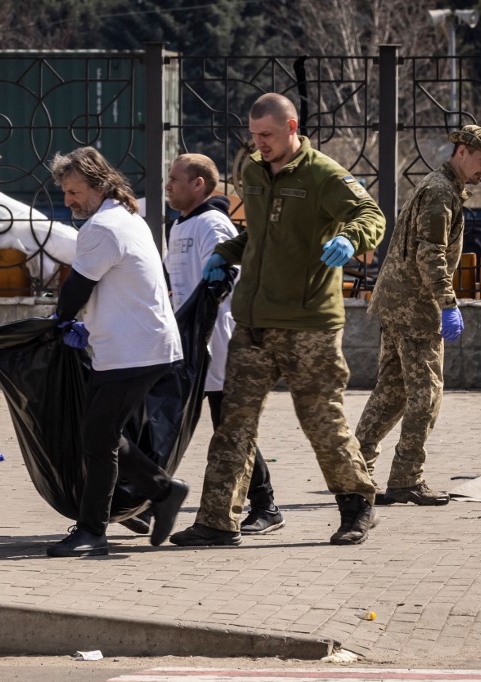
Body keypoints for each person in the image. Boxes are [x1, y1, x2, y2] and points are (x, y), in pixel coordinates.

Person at [170, 93, 385, 547]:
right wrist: (225, 253)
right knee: (234, 422)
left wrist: (350, 238)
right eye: (253, 136)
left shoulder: (323, 174)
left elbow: (371, 215)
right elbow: (259, 235)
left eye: (266, 135)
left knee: (322, 420)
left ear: (292, 128)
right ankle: (217, 521)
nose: (259, 144)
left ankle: (357, 506)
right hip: (253, 320)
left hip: (309, 323)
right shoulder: (251, 170)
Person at [46, 146, 188, 558]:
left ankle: (93, 531)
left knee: (98, 439)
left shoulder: (103, 227)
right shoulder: (128, 217)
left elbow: (77, 287)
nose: (68, 201)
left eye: (74, 192)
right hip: (141, 344)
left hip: (133, 349)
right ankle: (162, 490)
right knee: (100, 433)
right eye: (65, 193)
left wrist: (59, 323)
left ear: (97, 185)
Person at [354, 125, 481, 506]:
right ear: (463, 151)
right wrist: (449, 304)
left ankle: (355, 472)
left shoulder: (440, 185)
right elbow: (430, 254)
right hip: (416, 308)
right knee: (427, 395)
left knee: (391, 391)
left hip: (398, 302)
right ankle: (406, 478)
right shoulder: (440, 191)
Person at [162, 153, 285, 535]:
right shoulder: (181, 225)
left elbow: (224, 279)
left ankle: (265, 505)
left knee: (229, 426)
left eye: (174, 179)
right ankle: (146, 496)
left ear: (198, 184)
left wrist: (200, 323)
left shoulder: (212, 224)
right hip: (191, 341)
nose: (167, 185)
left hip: (218, 341)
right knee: (175, 420)